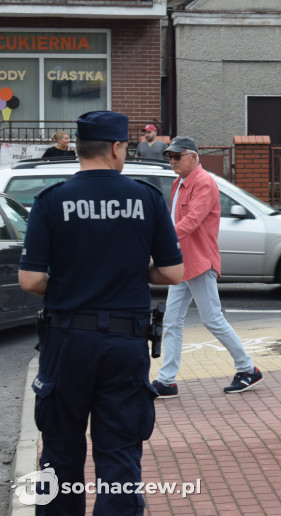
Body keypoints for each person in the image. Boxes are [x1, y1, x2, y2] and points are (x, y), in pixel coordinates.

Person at [20, 110, 183, 515]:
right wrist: (129, 270)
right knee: (120, 453)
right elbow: (173, 272)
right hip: (124, 345)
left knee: (58, 453)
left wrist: (70, 282)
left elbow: (30, 280)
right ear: (115, 148)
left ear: (78, 148)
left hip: (66, 342)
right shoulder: (146, 197)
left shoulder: (51, 200)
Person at [152, 136, 263, 397]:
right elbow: (175, 220)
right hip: (182, 261)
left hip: (200, 261)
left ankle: (248, 369)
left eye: (177, 156)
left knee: (211, 318)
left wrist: (159, 242)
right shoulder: (178, 182)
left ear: (194, 156)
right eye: (170, 157)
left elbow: (191, 221)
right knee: (172, 321)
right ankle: (166, 380)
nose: (172, 161)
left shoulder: (203, 182)